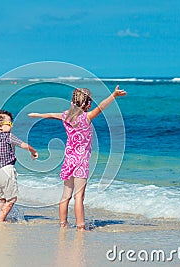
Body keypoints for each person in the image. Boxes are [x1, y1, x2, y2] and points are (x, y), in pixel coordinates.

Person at [28, 86, 127, 231]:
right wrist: (113, 95)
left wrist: (37, 115)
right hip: (81, 162)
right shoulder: (86, 117)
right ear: (87, 105)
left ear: (72, 102)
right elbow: (101, 107)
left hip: (69, 160)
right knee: (79, 197)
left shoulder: (66, 116)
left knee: (65, 196)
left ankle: (63, 225)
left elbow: (51, 115)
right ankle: (81, 227)